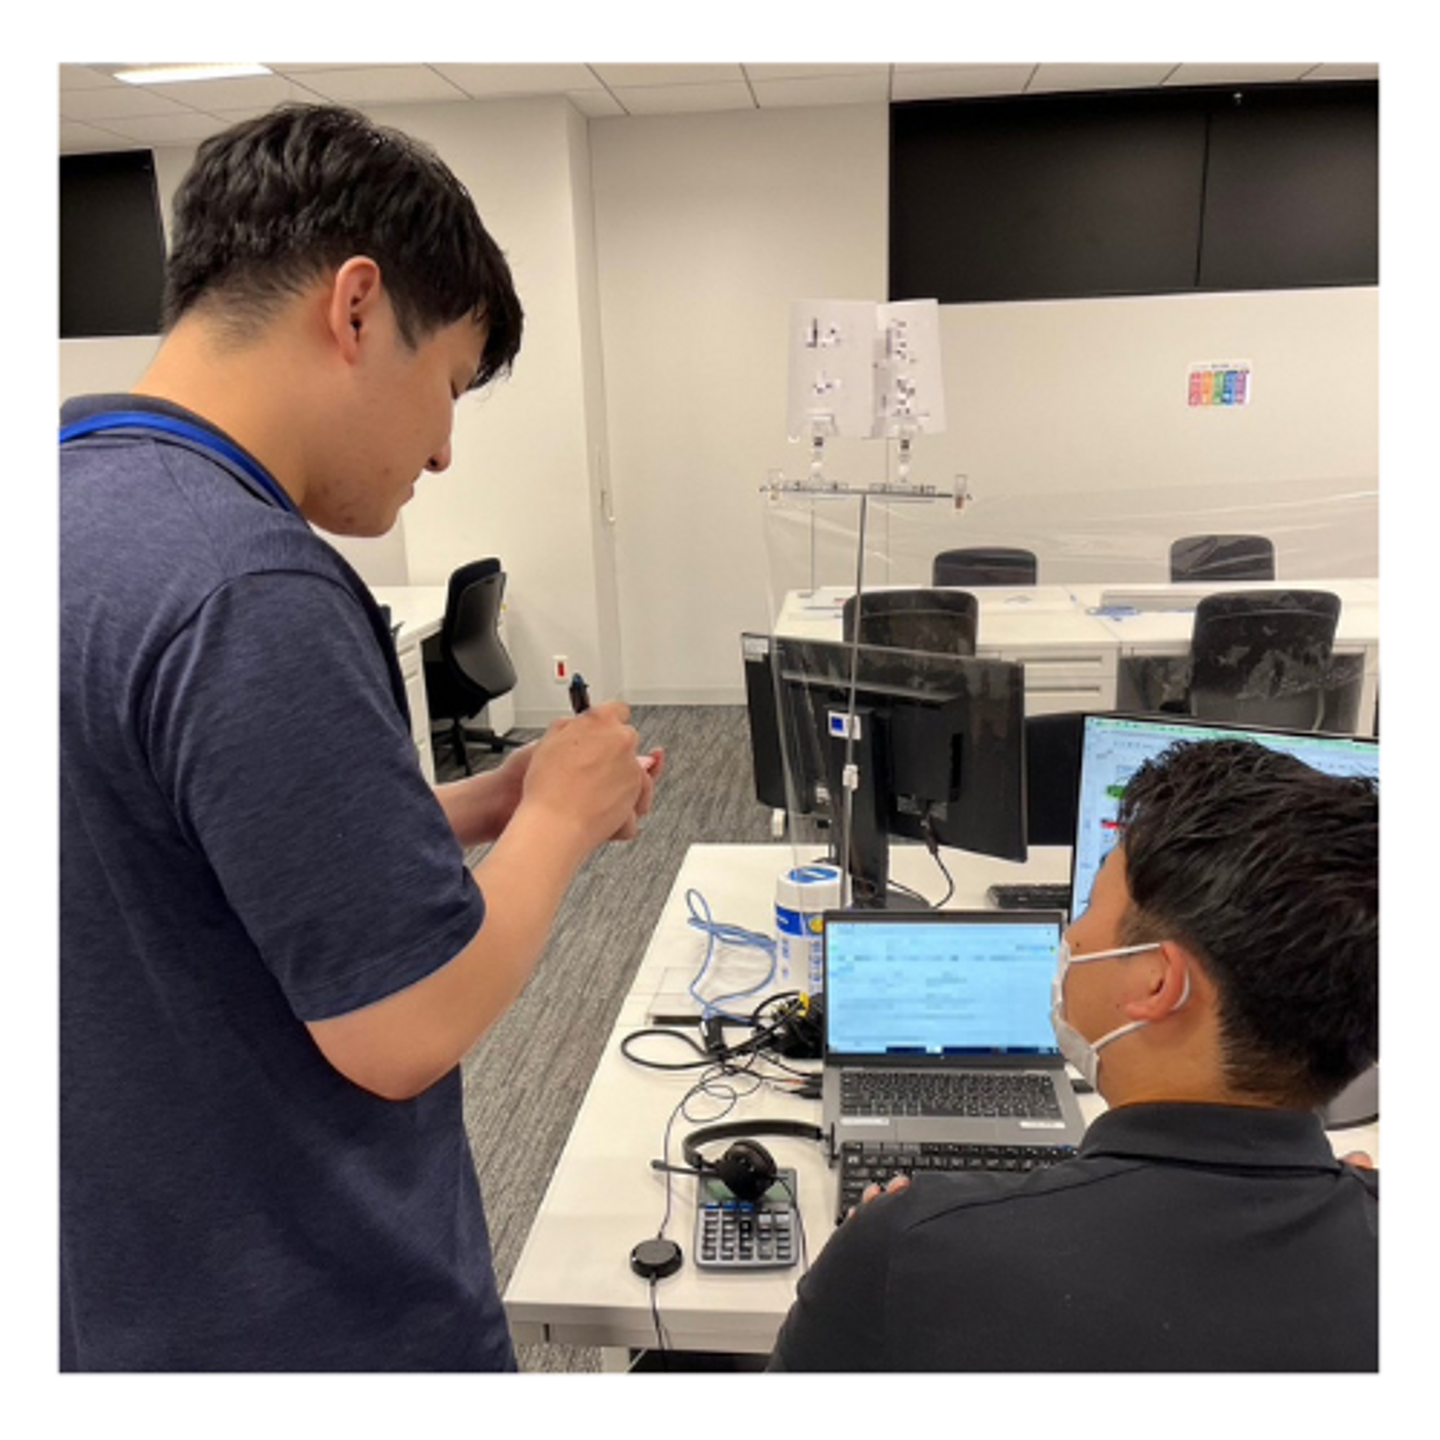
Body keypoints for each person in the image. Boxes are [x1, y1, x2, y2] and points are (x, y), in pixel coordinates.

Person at [59, 103, 662, 1371]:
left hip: (113, 1291)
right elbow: (403, 1028)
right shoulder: (249, 584)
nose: (441, 451)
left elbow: (168, 857)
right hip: (302, 1307)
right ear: (355, 307)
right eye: (448, 386)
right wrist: (559, 822)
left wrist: (476, 806)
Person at [769, 739, 1378, 1371]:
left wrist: (881, 1254)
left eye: (1089, 907)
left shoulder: (912, 1250)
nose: (1073, 935)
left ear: (1157, 982)